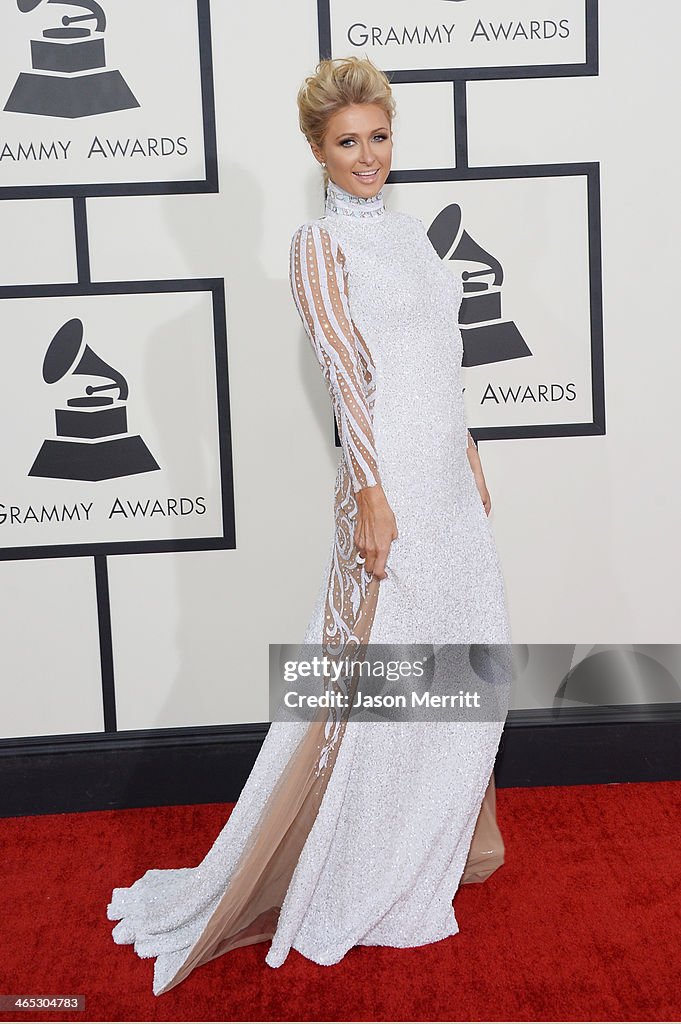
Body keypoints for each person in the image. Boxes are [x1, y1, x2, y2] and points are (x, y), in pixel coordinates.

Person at [107, 55, 513, 997]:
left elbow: (437, 362)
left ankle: (422, 850)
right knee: (380, 681)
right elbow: (345, 376)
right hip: (389, 487)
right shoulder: (316, 248)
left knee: (465, 666)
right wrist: (371, 491)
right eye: (346, 144)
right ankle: (354, 865)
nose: (366, 156)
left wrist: (470, 446)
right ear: (318, 153)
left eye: (377, 138)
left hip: (446, 481)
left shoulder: (414, 239)